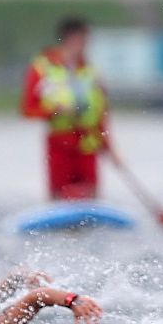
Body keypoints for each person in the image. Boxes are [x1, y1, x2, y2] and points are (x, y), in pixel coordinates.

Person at [21, 16, 111, 200]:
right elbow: (28, 110)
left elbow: (101, 112)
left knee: (91, 195)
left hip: (88, 142)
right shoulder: (42, 68)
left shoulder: (92, 71)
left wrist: (108, 146)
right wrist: (53, 111)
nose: (86, 45)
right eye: (83, 39)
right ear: (70, 38)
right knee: (59, 195)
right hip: (60, 142)